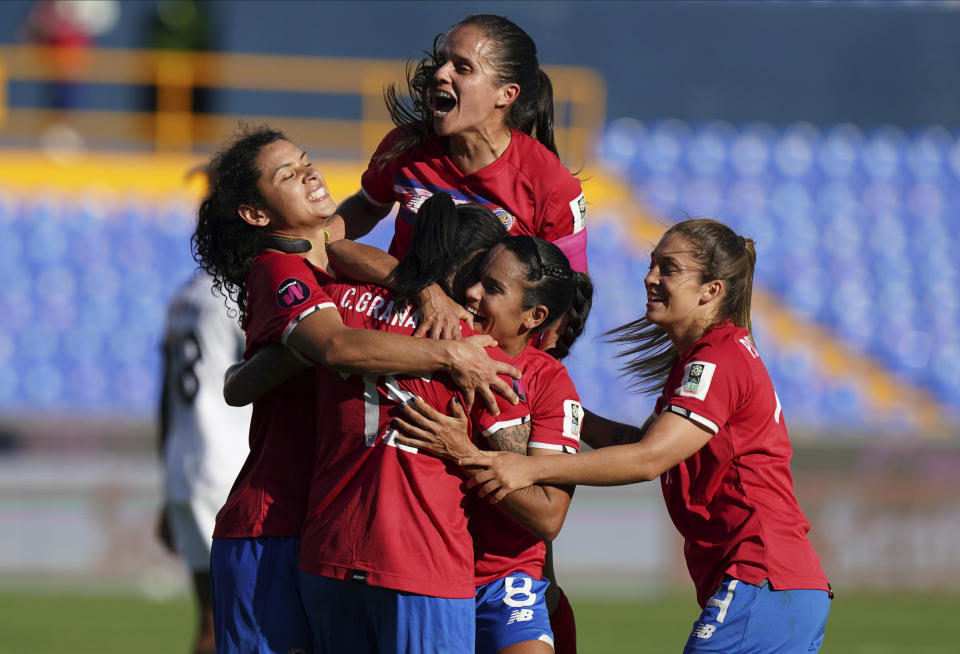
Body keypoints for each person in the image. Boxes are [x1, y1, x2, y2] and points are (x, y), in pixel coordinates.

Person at [191, 127, 520, 654]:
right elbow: (340, 349)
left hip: (319, 527)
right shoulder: (279, 270)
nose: (310, 175)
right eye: (288, 175)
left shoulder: (327, 263)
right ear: (256, 215)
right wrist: (450, 353)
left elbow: (347, 249)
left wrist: (427, 290)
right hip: (269, 525)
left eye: (306, 162)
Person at [460, 219, 833, 653]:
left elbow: (648, 458)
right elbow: (638, 442)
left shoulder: (717, 359)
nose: (650, 278)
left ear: (710, 291)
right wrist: (555, 407)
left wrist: (529, 466)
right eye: (652, 264)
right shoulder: (707, 358)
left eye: (668, 269)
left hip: (761, 576)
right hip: (775, 584)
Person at [334, 13, 588, 346]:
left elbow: (566, 292)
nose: (440, 74)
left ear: (506, 94)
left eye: (463, 68)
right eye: (443, 62)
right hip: (401, 331)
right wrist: (317, 238)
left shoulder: (550, 183)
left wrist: (534, 369)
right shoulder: (405, 149)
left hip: (486, 357)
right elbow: (367, 207)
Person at [393, 234, 593, 654]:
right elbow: (339, 247)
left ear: (533, 316)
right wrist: (428, 291)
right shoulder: (430, 345)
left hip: (504, 577)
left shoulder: (549, 383)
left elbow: (548, 516)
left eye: (493, 289)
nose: (471, 293)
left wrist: (465, 454)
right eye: (476, 278)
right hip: (419, 569)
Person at [157, 271, 251, 654]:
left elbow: (165, 395)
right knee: (243, 618)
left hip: (186, 462)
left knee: (212, 620)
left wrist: (167, 482)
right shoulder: (237, 293)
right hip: (228, 465)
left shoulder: (185, 296)